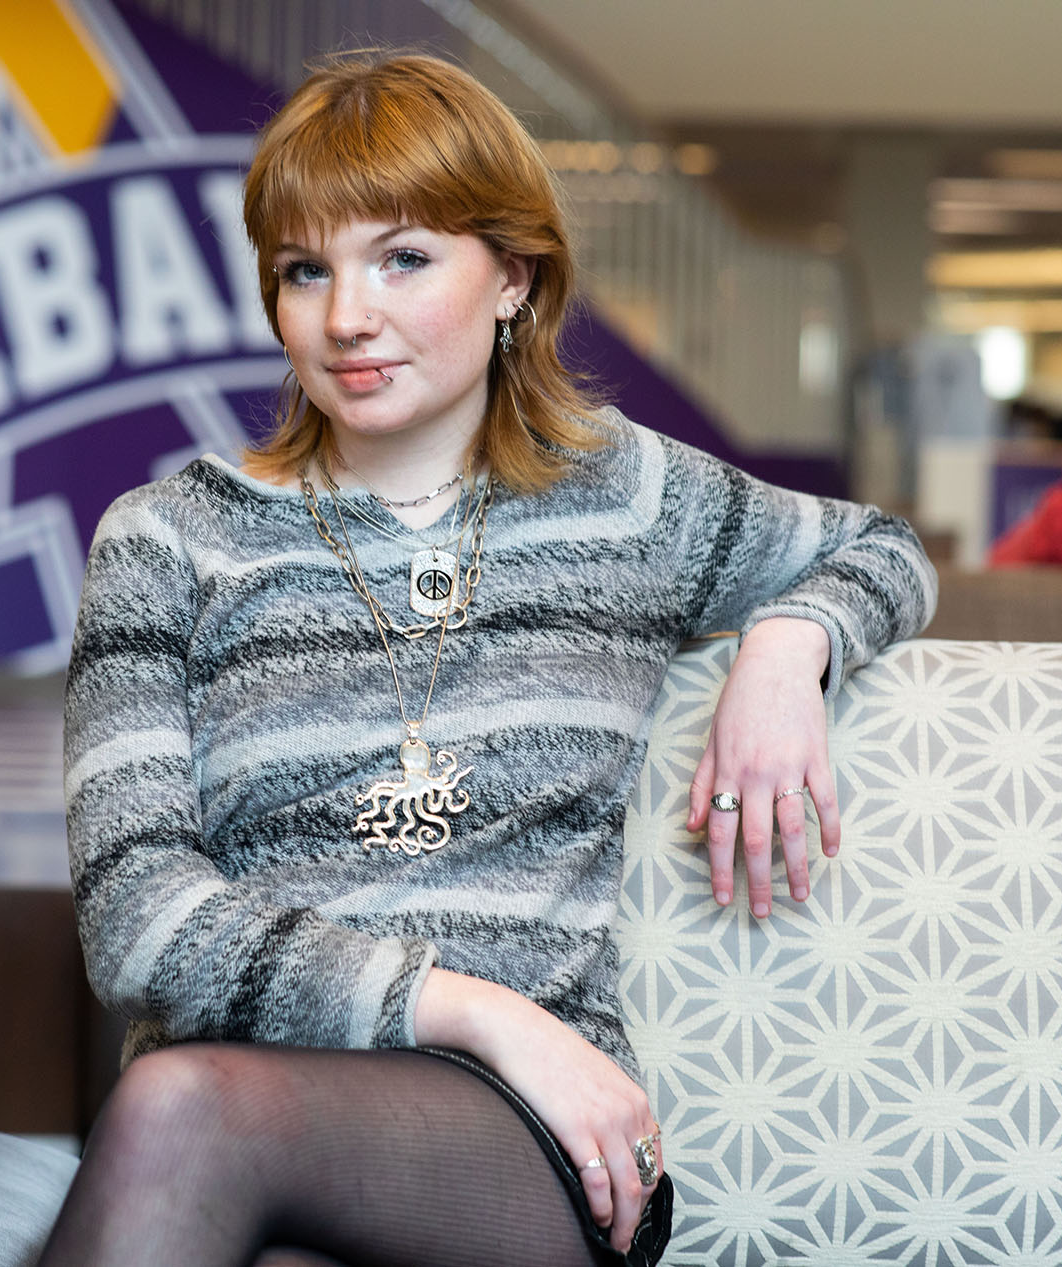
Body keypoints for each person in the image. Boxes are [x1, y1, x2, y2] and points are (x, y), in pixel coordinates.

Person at [45, 53, 935, 1267]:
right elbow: (138, 923)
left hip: (523, 1144)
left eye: (401, 259)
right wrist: (478, 1012)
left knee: (181, 1113)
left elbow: (882, 549)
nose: (346, 317)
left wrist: (787, 648)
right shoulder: (167, 541)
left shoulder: (623, 498)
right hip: (317, 1098)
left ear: (514, 275)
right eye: (305, 269)